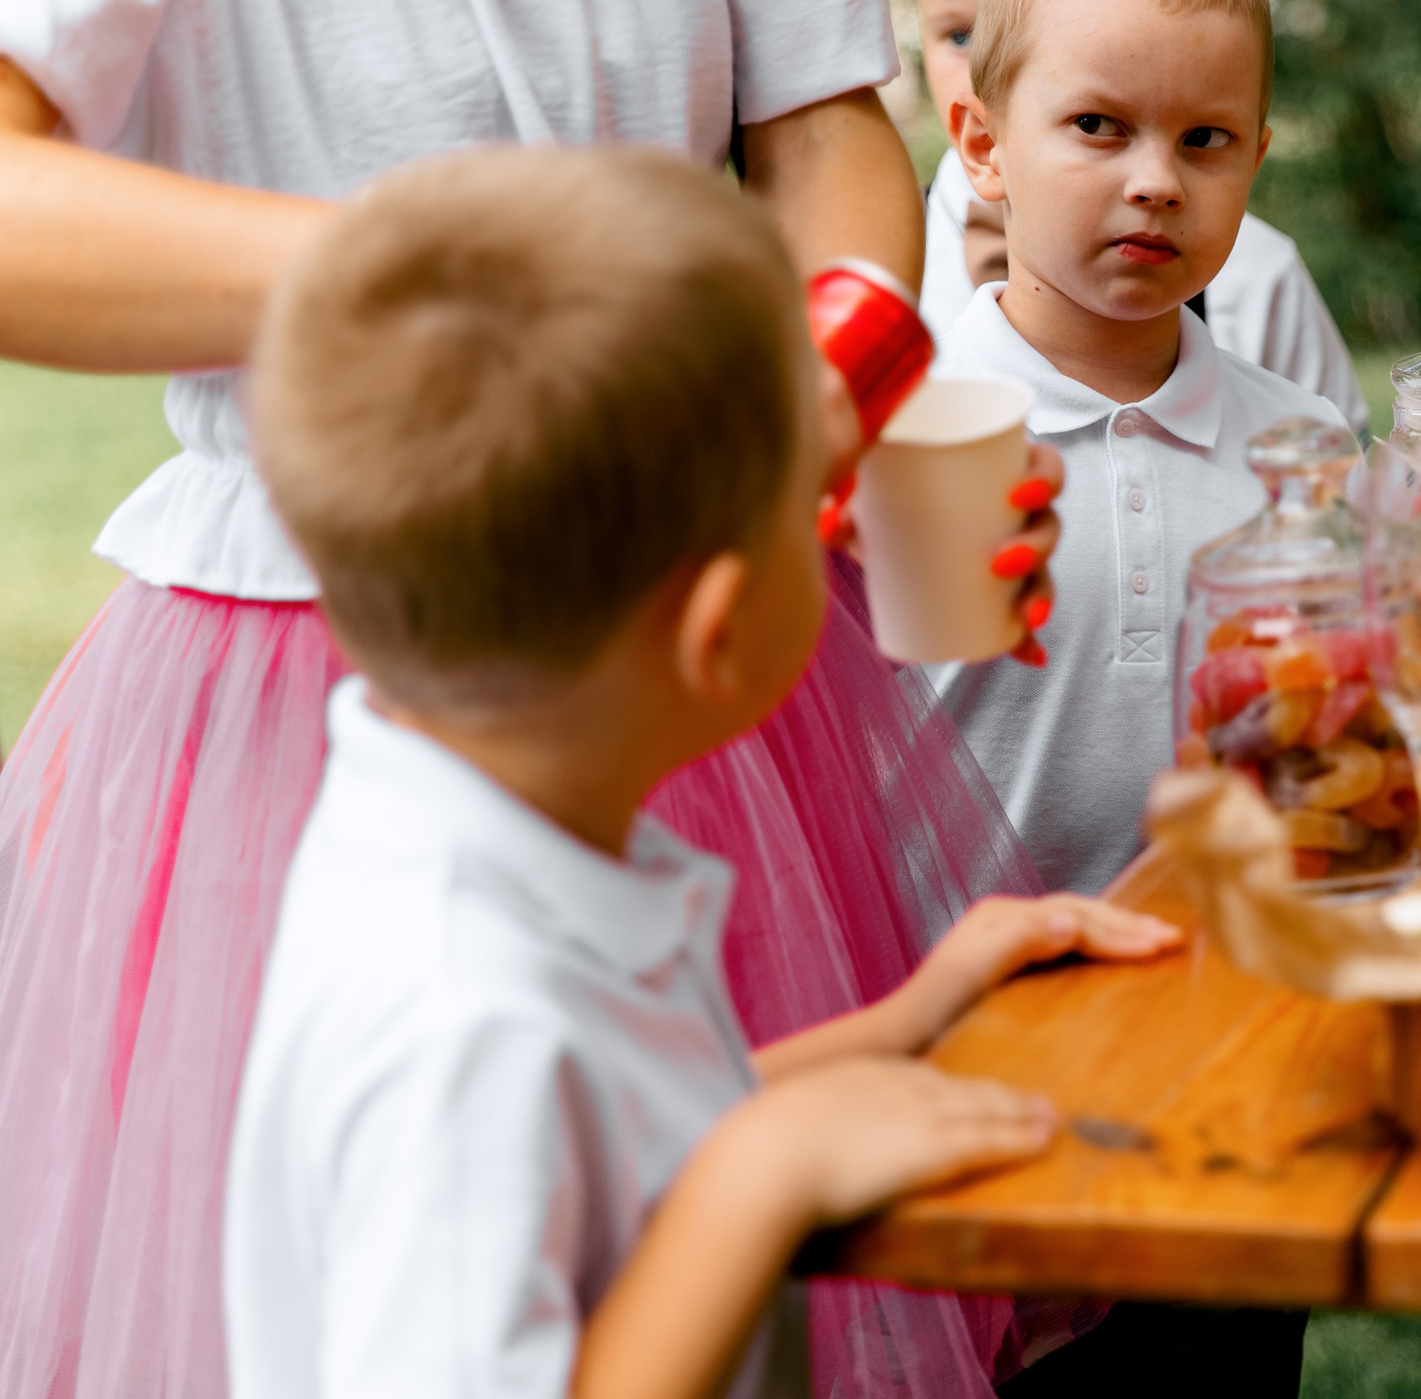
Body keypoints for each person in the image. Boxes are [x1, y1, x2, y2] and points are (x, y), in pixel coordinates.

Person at [0, 0, 1052, 1393]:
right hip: (317, 641)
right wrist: (525, 305)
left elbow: (821, 117)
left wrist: (828, 380)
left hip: (660, 567)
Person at [225, 145, 1181, 1399]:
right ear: (717, 630)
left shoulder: (500, 836)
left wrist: (908, 1021)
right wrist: (765, 1171)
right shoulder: (457, 1014)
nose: (842, 539)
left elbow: (616, 1140)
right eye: (818, 509)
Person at [927, 0, 1324, 1398]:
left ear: (1255, 159)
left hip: (1231, 1078)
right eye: (1097, 126)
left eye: (1205, 140)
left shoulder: (1299, 454)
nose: (1156, 179)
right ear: (981, 144)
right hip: (963, 1076)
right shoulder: (913, 441)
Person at [900, 0, 1370, 436]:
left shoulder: (1256, 276)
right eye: (963, 35)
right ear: (982, 140)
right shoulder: (872, 257)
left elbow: (1333, 464)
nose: (986, 67)